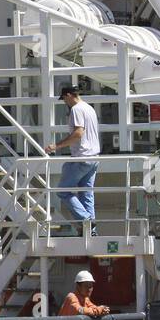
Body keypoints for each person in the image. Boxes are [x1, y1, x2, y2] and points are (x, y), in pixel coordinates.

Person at [45, 85, 101, 236]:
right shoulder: (89, 108)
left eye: (64, 98)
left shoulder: (76, 109)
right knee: (86, 194)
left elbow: (78, 133)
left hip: (82, 157)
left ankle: (86, 219)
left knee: (63, 191)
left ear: (69, 95)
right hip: (94, 157)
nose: (64, 102)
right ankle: (91, 231)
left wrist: (56, 146)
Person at [47, 270, 111, 320]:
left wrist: (102, 309)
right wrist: (99, 310)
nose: (89, 289)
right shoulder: (71, 297)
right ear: (78, 286)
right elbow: (80, 310)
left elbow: (93, 308)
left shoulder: (85, 298)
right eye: (86, 286)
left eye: (91, 286)